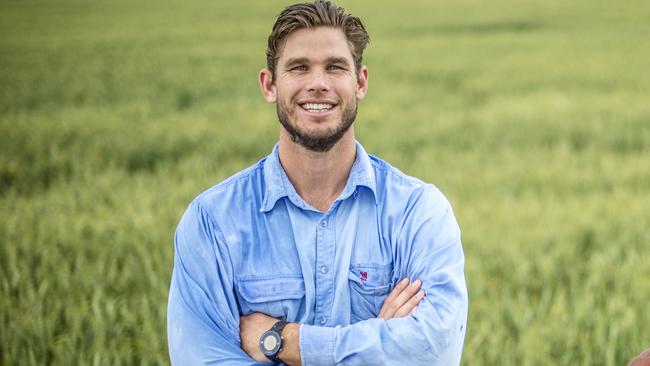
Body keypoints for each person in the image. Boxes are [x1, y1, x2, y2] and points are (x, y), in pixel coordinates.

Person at [167, 1, 468, 364]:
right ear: (269, 85)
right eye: (299, 68)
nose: (318, 84)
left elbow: (435, 349)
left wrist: (283, 341)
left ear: (360, 82)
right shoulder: (211, 222)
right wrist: (379, 342)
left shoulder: (417, 212)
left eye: (335, 67)